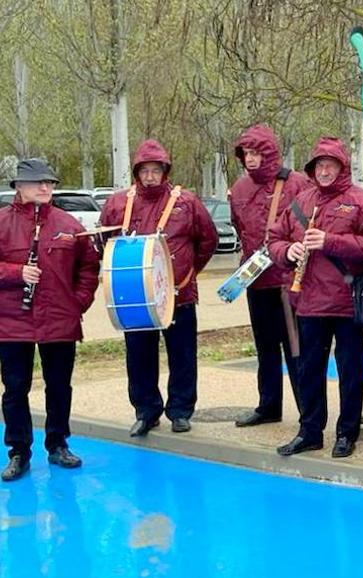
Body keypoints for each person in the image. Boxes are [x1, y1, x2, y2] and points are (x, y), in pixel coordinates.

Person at [268, 138, 363, 459]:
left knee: (350, 368)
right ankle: (310, 431)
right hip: (309, 301)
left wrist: (331, 241)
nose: (323, 171)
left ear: (342, 167)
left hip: (349, 300)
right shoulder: (300, 201)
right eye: (318, 165)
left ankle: (347, 433)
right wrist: (286, 251)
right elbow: (274, 239)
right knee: (309, 368)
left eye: (329, 165)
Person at [100, 139, 218, 436]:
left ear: (165, 171)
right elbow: (104, 242)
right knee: (139, 355)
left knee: (182, 354)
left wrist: (188, 273)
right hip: (135, 296)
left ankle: (180, 411)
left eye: (156, 170)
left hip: (178, 294)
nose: (150, 176)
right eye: (145, 170)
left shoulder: (186, 202)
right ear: (136, 172)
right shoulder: (118, 203)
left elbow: (208, 241)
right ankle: (146, 411)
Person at [0, 159, 100, 481]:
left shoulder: (69, 224)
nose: (46, 187)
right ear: (19, 186)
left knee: (59, 387)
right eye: (37, 182)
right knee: (15, 389)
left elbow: (88, 268)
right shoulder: (1, 222)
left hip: (59, 321)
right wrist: (16, 272)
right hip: (12, 323)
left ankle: (58, 444)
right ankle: (18, 452)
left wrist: (78, 303)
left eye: (49, 182)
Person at [229, 125, 312, 428]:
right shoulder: (239, 188)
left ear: (269, 153)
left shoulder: (297, 183)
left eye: (256, 153)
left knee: (296, 346)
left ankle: (307, 408)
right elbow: (240, 227)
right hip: (256, 278)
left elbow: (308, 225)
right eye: (246, 154)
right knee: (265, 347)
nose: (250, 159)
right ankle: (268, 405)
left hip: (290, 279)